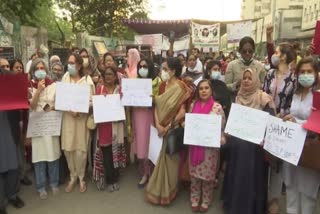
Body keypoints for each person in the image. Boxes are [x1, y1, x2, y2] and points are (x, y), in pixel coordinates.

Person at [222, 68, 276, 214]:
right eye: (244, 78)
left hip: (255, 148)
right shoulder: (238, 97)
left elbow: (270, 121)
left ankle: (251, 207)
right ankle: (234, 204)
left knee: (251, 175)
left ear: (256, 80)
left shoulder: (263, 97)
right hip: (237, 145)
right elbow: (233, 121)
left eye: (249, 78)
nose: (246, 80)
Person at [145, 57, 192, 205]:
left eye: (165, 69)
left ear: (173, 71)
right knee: (159, 159)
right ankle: (158, 191)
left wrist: (167, 127)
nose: (162, 71)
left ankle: (169, 192)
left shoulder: (182, 88)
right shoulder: (162, 86)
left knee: (171, 162)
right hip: (161, 129)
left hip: (173, 129)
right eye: (162, 69)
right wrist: (158, 125)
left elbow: (182, 112)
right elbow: (157, 107)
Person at [262, 43, 297, 214]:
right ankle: (261, 195)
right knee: (263, 158)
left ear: (284, 56)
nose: (274, 55)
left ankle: (274, 199)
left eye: (276, 52)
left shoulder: (293, 79)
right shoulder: (269, 74)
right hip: (265, 120)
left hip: (282, 124)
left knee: (277, 162)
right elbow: (262, 93)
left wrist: (281, 115)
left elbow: (293, 103)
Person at [282, 57, 320, 214]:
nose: (305, 75)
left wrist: (297, 122)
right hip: (291, 145)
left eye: (309, 71)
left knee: (307, 190)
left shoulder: (318, 95)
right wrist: (286, 118)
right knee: (291, 185)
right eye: (302, 72)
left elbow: (316, 123)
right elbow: (292, 113)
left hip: (309, 147)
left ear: (316, 73)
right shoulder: (296, 93)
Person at [188, 79, 225, 212]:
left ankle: (206, 200)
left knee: (208, 177)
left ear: (211, 90)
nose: (203, 91)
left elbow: (221, 126)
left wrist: (222, 138)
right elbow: (190, 124)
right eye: (201, 88)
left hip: (209, 149)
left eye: (206, 88)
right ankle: (194, 198)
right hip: (195, 146)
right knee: (195, 176)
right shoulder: (193, 105)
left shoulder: (217, 107)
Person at [61, 53, 95, 193]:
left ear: (79, 65)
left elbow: (92, 101)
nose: (69, 65)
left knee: (81, 150)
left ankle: (81, 178)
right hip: (68, 120)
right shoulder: (65, 78)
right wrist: (70, 111)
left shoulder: (87, 80)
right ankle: (72, 176)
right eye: (68, 62)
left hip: (81, 121)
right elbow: (61, 98)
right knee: (68, 149)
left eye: (72, 63)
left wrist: (80, 111)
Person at [29, 59, 60, 199]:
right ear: (33, 71)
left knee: (52, 154)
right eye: (38, 68)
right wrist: (39, 91)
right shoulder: (29, 86)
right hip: (37, 126)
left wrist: (50, 107)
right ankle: (41, 186)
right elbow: (32, 106)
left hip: (50, 124)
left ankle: (54, 182)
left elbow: (57, 103)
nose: (40, 70)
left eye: (42, 67)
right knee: (39, 156)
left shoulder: (53, 85)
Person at [92, 66, 126, 192]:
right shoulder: (100, 89)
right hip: (104, 127)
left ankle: (115, 178)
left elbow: (124, 107)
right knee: (106, 155)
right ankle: (110, 180)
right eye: (106, 74)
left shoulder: (120, 91)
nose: (108, 76)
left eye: (111, 74)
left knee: (115, 154)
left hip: (116, 126)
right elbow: (96, 107)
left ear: (115, 76)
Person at [0, 70, 25, 214]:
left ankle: (12, 195)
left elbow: (18, 99)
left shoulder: (8, 76)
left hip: (9, 125)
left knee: (13, 165)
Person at [132, 59, 155, 188]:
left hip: (150, 116)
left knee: (150, 145)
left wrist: (154, 99)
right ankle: (144, 174)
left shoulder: (156, 82)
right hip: (138, 115)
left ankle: (152, 174)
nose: (142, 69)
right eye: (140, 66)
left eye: (145, 66)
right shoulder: (134, 83)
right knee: (141, 145)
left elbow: (160, 99)